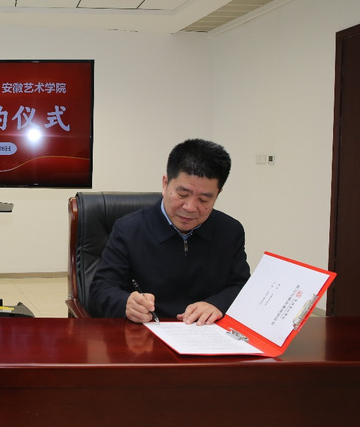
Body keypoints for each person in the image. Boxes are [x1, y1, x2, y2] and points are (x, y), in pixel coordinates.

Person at [89, 139, 250, 325]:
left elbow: (242, 286)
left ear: (218, 194)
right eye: (182, 195)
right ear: (165, 184)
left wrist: (218, 304)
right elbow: (101, 288)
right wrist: (126, 303)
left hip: (206, 333)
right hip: (147, 332)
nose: (190, 207)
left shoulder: (230, 231)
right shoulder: (129, 229)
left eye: (204, 200)